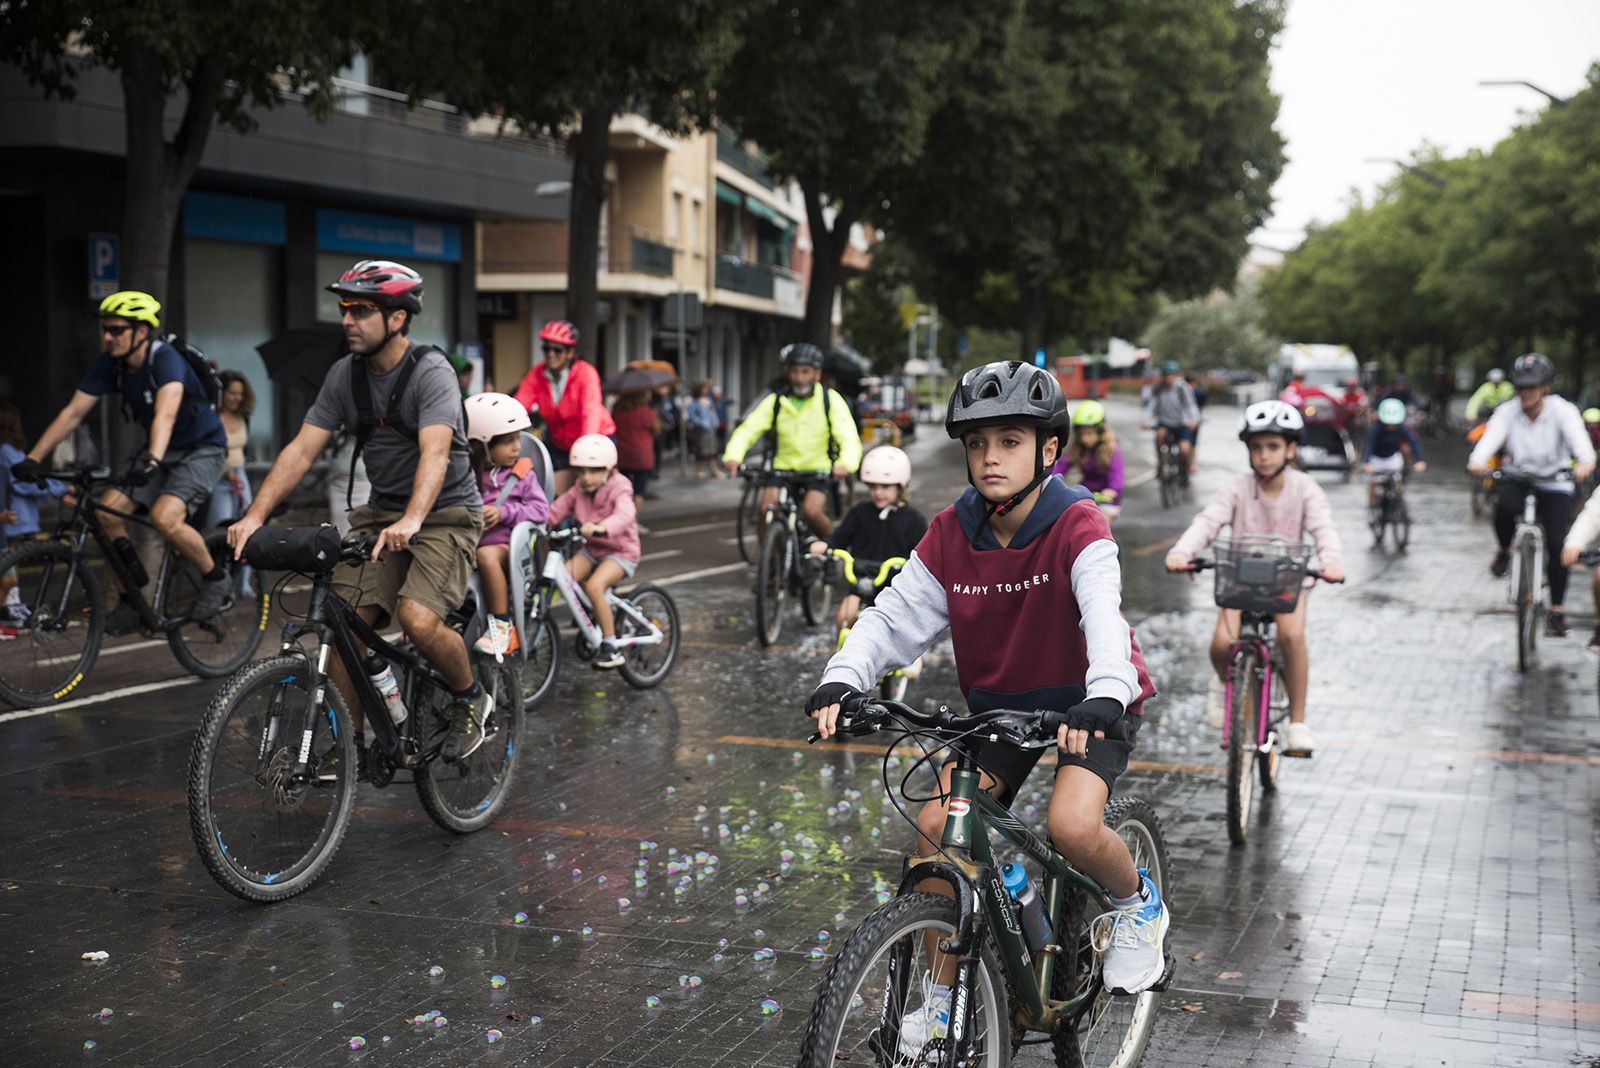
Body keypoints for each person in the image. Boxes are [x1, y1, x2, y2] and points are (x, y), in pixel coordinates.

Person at [807, 361, 1166, 1051]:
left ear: (1048, 450)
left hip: (1090, 702)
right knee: (939, 824)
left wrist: (1104, 694)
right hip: (1001, 710)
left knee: (1071, 825)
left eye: (1008, 440)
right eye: (976, 443)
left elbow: (1101, 613)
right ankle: (941, 1002)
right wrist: (844, 676)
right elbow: (893, 616)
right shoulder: (953, 529)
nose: (990, 457)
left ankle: (1135, 903)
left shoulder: (1077, 522)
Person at [227, 259, 492, 766]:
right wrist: (254, 514)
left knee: (417, 618)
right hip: (380, 515)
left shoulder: (430, 372)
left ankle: (469, 697)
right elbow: (301, 450)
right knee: (344, 624)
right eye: (345, 308)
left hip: (445, 515)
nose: (347, 319)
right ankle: (350, 746)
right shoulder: (344, 376)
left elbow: (436, 454)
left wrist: (414, 519)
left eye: (363, 310)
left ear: (398, 318)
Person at [10, 290, 231, 633]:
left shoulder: (166, 359)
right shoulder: (109, 364)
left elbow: (166, 414)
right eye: (105, 329)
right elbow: (72, 413)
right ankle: (131, 598)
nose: (108, 337)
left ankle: (215, 578)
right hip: (159, 452)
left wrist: (152, 460)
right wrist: (33, 458)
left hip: (201, 449)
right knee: (104, 513)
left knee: (164, 517)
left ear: (141, 332)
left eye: (116, 330)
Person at [1165, 400, 1346, 755]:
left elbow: (1323, 528)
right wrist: (1182, 552)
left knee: (1292, 637)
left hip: (1286, 585)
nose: (1264, 455)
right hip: (1240, 583)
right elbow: (1208, 521)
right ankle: (1224, 682)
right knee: (1220, 645)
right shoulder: (1236, 488)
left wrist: (1332, 561)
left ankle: (1297, 723)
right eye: (1257, 447)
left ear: (1291, 449)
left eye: (1274, 447)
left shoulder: (1305, 488)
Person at [1468, 352, 1595, 637]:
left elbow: (1580, 443)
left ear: (1545, 387)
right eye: (1521, 387)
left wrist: (1585, 462)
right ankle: (1503, 552)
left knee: (1556, 542)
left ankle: (1558, 611)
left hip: (1555, 480)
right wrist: (1477, 460)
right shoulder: (1508, 411)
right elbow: (1490, 438)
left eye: (1532, 386)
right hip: (1518, 477)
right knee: (1502, 510)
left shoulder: (1563, 411)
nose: (1526, 393)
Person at [722, 342, 863, 538]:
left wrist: (845, 463)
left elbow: (847, 436)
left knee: (812, 511)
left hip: (817, 470)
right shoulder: (776, 400)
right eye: (795, 372)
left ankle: (831, 551)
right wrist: (733, 456)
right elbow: (749, 429)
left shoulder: (830, 400)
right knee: (765, 509)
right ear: (788, 373)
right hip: (783, 469)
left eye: (806, 372)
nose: (800, 378)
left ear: (817, 374)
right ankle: (768, 561)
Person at [806, 445, 928, 638]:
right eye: (872, 486)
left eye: (885, 486)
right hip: (861, 578)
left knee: (902, 631)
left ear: (901, 485)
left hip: (895, 585)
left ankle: (906, 658)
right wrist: (826, 545)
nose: (878, 492)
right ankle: (845, 659)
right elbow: (840, 537)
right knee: (844, 618)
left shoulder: (914, 519)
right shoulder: (859, 512)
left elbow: (926, 553)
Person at [466, 393, 549, 657]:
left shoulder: (522, 474)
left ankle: (502, 626)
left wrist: (504, 512)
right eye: (508, 441)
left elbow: (540, 510)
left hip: (507, 546)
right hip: (470, 541)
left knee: (486, 556)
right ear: (482, 446)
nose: (517, 447)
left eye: (518, 439)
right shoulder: (468, 475)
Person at [548, 434, 640, 669]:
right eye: (581, 471)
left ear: (609, 468)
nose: (586, 478)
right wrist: (537, 522)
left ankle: (610, 646)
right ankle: (594, 615)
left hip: (620, 551)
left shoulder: (620, 487)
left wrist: (602, 528)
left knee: (594, 586)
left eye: (594, 471)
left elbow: (624, 515)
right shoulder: (579, 488)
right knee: (564, 577)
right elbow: (558, 509)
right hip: (592, 550)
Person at [510, 320, 615, 496]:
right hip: (560, 442)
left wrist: (586, 451)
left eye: (557, 350)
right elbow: (519, 405)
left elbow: (590, 414)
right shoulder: (537, 374)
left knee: (593, 491)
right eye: (546, 349)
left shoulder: (585, 373)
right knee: (544, 483)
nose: (551, 354)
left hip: (595, 437)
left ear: (570, 353)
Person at [0, 402, 67, 638]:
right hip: (12, 519)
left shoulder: (7, 452)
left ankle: (14, 614)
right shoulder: (7, 453)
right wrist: (60, 489)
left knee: (9, 570)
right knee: (8, 572)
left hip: (15, 518)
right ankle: (13, 614)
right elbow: (27, 483)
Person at [204, 370, 257, 597]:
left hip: (240, 475)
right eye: (232, 393)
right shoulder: (212, 416)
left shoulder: (244, 416)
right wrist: (225, 471)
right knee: (221, 533)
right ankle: (220, 582)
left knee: (250, 525)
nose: (236, 398)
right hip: (219, 477)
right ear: (222, 394)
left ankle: (243, 583)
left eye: (240, 394)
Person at [1050, 399, 1125, 520]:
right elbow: (1062, 466)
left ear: (1100, 431)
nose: (1085, 439)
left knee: (1101, 523)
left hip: (1108, 499)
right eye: (1081, 434)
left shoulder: (1112, 449)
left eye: (1089, 434)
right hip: (1087, 494)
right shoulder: (1079, 448)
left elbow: (1117, 474)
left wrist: (1112, 489)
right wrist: (1049, 479)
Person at [1362, 397, 1427, 508]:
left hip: (1393, 458)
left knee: (1398, 480)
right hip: (1377, 459)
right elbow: (1369, 446)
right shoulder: (1376, 430)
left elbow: (1414, 442)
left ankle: (1398, 500)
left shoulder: (1403, 428)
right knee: (1373, 482)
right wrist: (1366, 462)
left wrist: (1419, 460)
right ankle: (1371, 504)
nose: (1391, 426)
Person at [1141, 360, 1200, 474]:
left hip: (1181, 424)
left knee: (1184, 450)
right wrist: (1145, 420)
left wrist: (1194, 419)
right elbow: (1150, 406)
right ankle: (1161, 463)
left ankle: (1184, 473)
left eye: (1171, 375)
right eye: (1166, 375)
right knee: (1159, 436)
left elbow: (1191, 405)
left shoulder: (1182, 388)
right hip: (1165, 423)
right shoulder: (1158, 389)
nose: (1169, 378)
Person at [611, 389, 661, 504]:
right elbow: (657, 429)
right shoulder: (646, 411)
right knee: (639, 491)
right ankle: (634, 518)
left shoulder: (617, 410)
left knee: (623, 489)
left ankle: (624, 515)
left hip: (622, 454)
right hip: (642, 455)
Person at [687, 380, 722, 478]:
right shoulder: (695, 403)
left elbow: (713, 412)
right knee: (701, 450)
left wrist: (716, 422)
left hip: (711, 429)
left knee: (713, 449)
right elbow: (692, 416)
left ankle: (713, 469)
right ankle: (700, 469)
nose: (705, 390)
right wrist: (701, 423)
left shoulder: (709, 400)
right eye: (703, 388)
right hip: (701, 430)